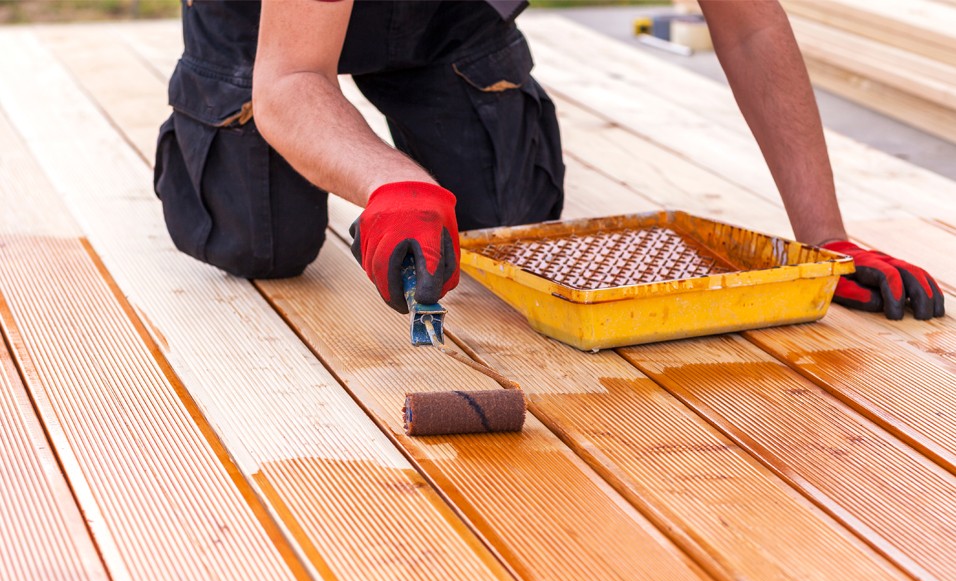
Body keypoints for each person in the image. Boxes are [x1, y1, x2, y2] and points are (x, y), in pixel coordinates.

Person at [155, 0, 944, 321]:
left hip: (446, 19)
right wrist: (390, 182)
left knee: (507, 233)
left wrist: (825, 239)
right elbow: (293, 79)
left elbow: (750, 28)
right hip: (273, 31)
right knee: (259, 246)